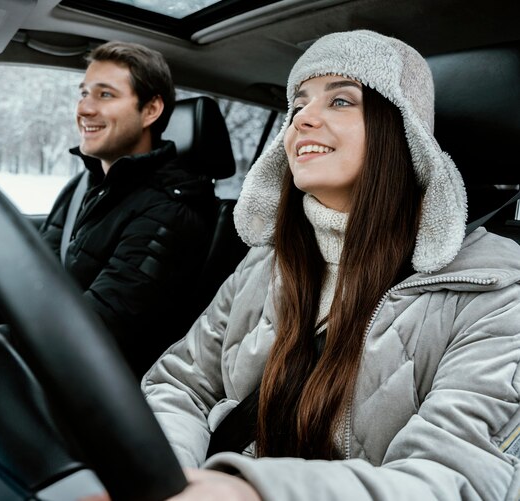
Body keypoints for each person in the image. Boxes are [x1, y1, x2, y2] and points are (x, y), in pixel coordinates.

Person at [92, 30, 520, 500]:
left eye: (340, 101)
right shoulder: (264, 263)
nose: (303, 120)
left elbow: (458, 478)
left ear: (401, 132)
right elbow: (181, 384)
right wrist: (166, 475)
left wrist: (250, 493)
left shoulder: (496, 292)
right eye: (298, 105)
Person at [0, 41, 217, 378]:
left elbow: (96, 334)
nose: (85, 109)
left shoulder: (171, 211)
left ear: (150, 111)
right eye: (83, 94)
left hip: (91, 394)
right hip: (46, 363)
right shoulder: (85, 186)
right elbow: (26, 277)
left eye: (105, 95)